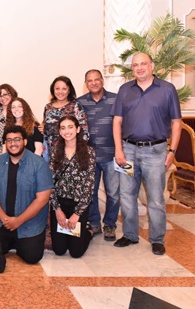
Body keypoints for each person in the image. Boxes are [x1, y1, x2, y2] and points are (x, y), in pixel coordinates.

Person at [111, 52, 182, 255]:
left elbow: (177, 123)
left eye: (143, 64)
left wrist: (173, 151)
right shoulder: (124, 90)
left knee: (156, 198)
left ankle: (157, 239)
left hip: (156, 152)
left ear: (152, 65)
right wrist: (119, 149)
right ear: (132, 69)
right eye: (135, 65)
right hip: (128, 151)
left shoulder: (167, 90)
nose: (139, 67)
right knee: (126, 194)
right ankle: (130, 235)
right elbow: (117, 121)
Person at [0, 126, 53, 264]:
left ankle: (19, 242)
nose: (13, 143)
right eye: (9, 140)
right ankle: (11, 241)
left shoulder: (39, 164)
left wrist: (18, 221)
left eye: (17, 139)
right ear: (5, 143)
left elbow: (42, 199)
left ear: (25, 141)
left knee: (32, 257)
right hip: (2, 222)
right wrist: (3, 218)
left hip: (29, 223)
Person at [76, 69, 119, 240]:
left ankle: (110, 225)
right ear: (85, 83)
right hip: (89, 156)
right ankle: (94, 224)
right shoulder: (79, 103)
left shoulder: (116, 100)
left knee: (113, 193)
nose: (93, 83)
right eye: (89, 80)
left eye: (96, 80)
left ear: (102, 81)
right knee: (90, 192)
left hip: (112, 155)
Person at [49, 116, 95, 258]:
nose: (66, 131)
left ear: (78, 129)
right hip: (60, 203)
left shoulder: (89, 152)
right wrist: (57, 210)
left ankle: (88, 232)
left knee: (76, 253)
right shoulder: (55, 151)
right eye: (63, 128)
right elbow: (49, 182)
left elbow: (89, 186)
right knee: (60, 250)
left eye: (70, 127)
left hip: (78, 204)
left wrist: (77, 214)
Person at [42, 76, 89, 158]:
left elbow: (84, 131)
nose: (60, 92)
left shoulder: (75, 106)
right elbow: (45, 130)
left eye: (64, 89)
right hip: (52, 154)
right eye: (57, 88)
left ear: (69, 90)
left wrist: (79, 151)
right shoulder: (48, 107)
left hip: (72, 154)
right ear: (53, 90)